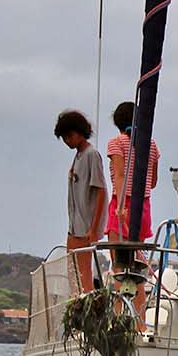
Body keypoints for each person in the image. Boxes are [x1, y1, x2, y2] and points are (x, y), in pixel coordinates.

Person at [55, 109, 106, 293]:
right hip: (74, 225)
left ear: (79, 132)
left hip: (85, 227)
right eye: (64, 138)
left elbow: (101, 191)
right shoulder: (78, 156)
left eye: (69, 136)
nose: (68, 141)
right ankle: (78, 308)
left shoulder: (91, 155)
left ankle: (88, 312)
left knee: (83, 274)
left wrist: (94, 228)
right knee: (74, 273)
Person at [104, 100, 162, 242]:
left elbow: (120, 175)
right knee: (136, 258)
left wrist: (120, 207)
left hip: (123, 203)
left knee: (119, 260)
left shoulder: (116, 143)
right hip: (143, 206)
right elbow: (152, 182)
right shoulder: (151, 145)